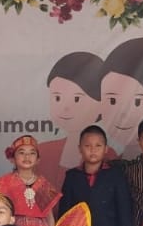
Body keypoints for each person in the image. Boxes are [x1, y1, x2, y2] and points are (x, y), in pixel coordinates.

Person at [38, 52, 106, 189]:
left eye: (77, 99)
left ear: (101, 103)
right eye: (57, 98)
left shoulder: (107, 154)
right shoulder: (42, 152)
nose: (66, 107)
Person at [0, 134, 61, 226]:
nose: (27, 157)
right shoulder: (4, 183)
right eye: (22, 152)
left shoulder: (42, 184)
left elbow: (49, 217)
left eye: (32, 153)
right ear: (13, 158)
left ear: (38, 159)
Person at [59, 126, 132, 226]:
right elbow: (65, 209)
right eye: (87, 146)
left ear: (106, 149)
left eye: (98, 146)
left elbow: (124, 205)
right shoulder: (72, 176)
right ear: (80, 149)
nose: (93, 150)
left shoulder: (116, 175)